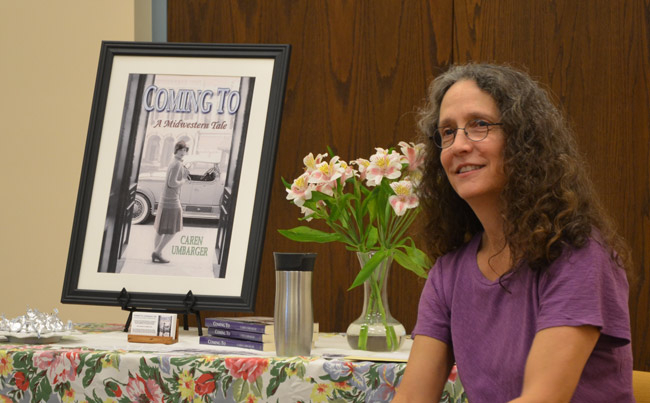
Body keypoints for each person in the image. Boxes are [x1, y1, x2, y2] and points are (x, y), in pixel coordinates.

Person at [392, 63, 634, 402]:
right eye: (447, 132)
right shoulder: (447, 275)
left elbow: (541, 399)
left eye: (479, 125)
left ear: (524, 140)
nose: (459, 145)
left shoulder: (580, 256)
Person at [152, 140, 191, 263]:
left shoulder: (174, 162)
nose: (183, 152)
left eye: (185, 150)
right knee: (173, 229)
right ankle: (157, 252)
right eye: (181, 150)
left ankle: (157, 253)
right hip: (171, 200)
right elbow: (171, 183)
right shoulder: (177, 164)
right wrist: (184, 179)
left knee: (160, 229)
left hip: (165, 199)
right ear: (177, 150)